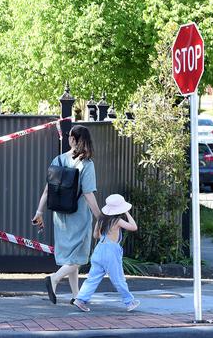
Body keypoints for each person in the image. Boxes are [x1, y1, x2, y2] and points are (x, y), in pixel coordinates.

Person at [31, 125, 101, 305]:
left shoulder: (58, 160)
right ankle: (54, 279)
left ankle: (77, 295)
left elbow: (48, 190)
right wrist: (101, 217)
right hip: (79, 216)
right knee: (79, 258)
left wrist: (39, 211)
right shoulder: (87, 164)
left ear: (72, 140)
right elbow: (88, 194)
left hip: (60, 216)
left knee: (72, 257)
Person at [72, 194, 141, 312]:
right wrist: (127, 213)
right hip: (111, 253)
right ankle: (129, 302)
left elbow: (95, 235)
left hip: (99, 250)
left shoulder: (101, 220)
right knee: (118, 279)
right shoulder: (117, 221)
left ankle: (80, 299)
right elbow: (134, 227)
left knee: (92, 279)